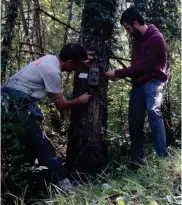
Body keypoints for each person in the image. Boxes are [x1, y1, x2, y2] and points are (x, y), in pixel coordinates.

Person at [1, 43, 92, 189]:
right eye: (76, 65)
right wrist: (78, 100)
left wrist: (81, 59)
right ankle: (64, 184)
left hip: (8, 99)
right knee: (41, 144)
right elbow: (60, 104)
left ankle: (21, 185)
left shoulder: (50, 59)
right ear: (69, 62)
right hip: (16, 103)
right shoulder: (53, 72)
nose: (76, 69)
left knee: (26, 146)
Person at [106, 7, 168, 170]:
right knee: (134, 122)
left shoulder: (156, 37)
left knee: (154, 112)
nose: (128, 32)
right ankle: (136, 162)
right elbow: (136, 67)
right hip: (138, 85)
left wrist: (119, 73)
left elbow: (145, 65)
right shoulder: (137, 41)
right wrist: (125, 75)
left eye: (128, 28)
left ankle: (162, 158)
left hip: (154, 83)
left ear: (135, 23)